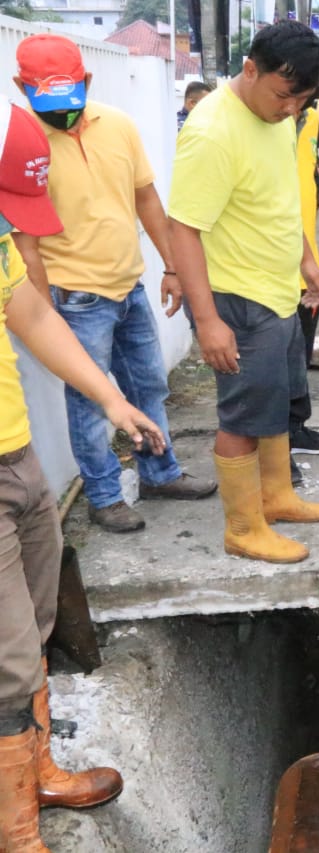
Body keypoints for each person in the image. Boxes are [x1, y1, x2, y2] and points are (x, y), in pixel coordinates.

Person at [0, 99, 165, 853]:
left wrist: (113, 399)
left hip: (17, 456)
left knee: (32, 627)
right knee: (4, 656)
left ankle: (37, 772)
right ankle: (18, 832)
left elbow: (30, 312)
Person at [12, 33, 217, 534]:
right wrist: (46, 314)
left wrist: (172, 267)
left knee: (149, 387)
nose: (61, 114)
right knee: (89, 403)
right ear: (21, 86)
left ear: (86, 80)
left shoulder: (119, 126)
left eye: (71, 99)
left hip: (130, 287)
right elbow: (25, 243)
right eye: (47, 102)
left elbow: (146, 199)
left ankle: (159, 473)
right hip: (74, 300)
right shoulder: (24, 147)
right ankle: (104, 496)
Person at [168, 20, 319, 564]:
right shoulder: (213, 130)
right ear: (250, 69)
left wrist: (307, 258)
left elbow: (281, 192)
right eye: (285, 96)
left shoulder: (277, 115)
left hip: (278, 287)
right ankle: (243, 527)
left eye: (303, 100)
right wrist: (208, 320)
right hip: (236, 298)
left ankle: (276, 496)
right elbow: (184, 229)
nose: (291, 109)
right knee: (243, 416)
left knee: (277, 403)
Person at [288, 98, 319, 468]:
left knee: (300, 355)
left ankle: (294, 428)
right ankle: (281, 440)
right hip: (274, 271)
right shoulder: (265, 130)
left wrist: (310, 261)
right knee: (279, 362)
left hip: (304, 264)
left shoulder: (306, 124)